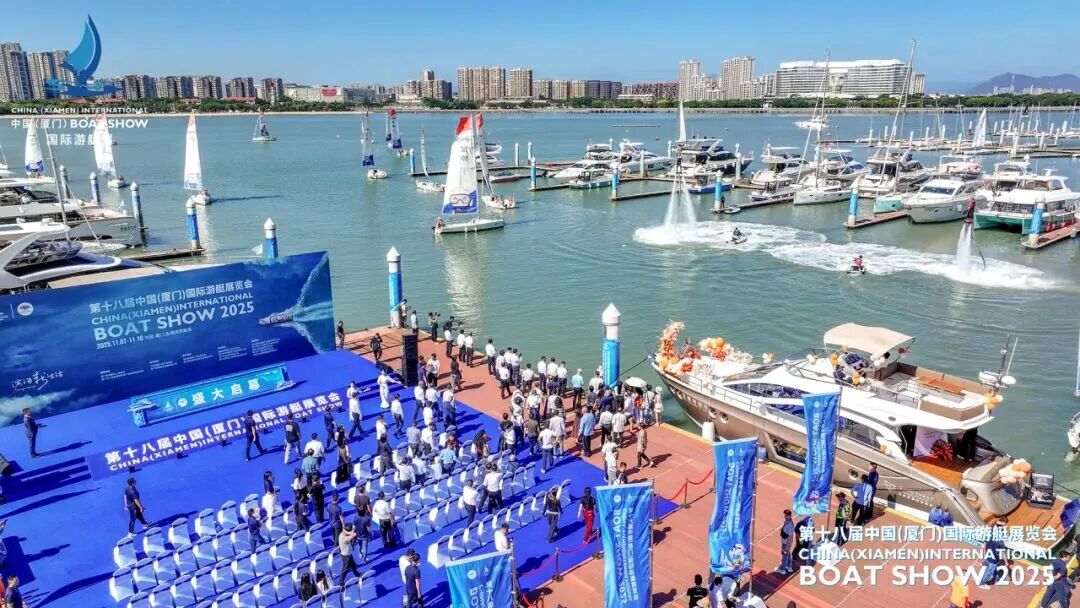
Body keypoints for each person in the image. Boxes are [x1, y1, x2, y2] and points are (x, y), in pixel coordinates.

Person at [977, 518, 1009, 589]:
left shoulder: (991, 530)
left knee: (992, 564)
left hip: (988, 553)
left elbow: (985, 544)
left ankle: (986, 565)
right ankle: (981, 584)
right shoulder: (1000, 542)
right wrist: (1006, 562)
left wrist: (985, 552)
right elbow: (1003, 552)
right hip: (994, 558)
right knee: (989, 571)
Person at [778, 509, 795, 575]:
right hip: (785, 542)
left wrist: (787, 548)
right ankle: (789, 566)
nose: (784, 517)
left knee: (784, 556)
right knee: (788, 554)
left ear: (789, 516)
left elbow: (790, 537)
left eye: (785, 515)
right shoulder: (787, 522)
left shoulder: (790, 525)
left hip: (786, 543)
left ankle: (782, 569)